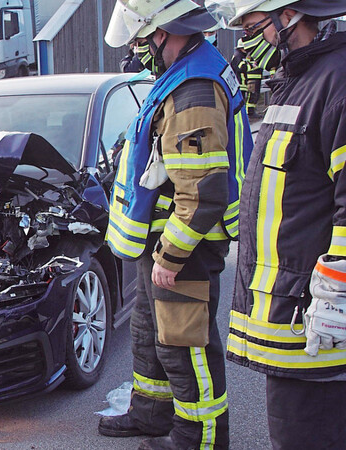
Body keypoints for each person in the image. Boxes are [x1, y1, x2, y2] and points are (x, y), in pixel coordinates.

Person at [101, 0, 253, 448]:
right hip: (165, 240)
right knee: (151, 332)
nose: (137, 49)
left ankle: (199, 435)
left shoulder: (194, 89)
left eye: (141, 39)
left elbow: (203, 191)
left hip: (184, 244)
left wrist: (170, 255)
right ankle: (151, 413)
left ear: (164, 32)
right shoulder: (184, 72)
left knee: (187, 343)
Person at [218, 0, 346, 447]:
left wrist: (336, 296)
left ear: (290, 15)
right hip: (290, 316)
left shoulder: (337, 83)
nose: (247, 42)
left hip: (318, 328)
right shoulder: (296, 83)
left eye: (254, 27)